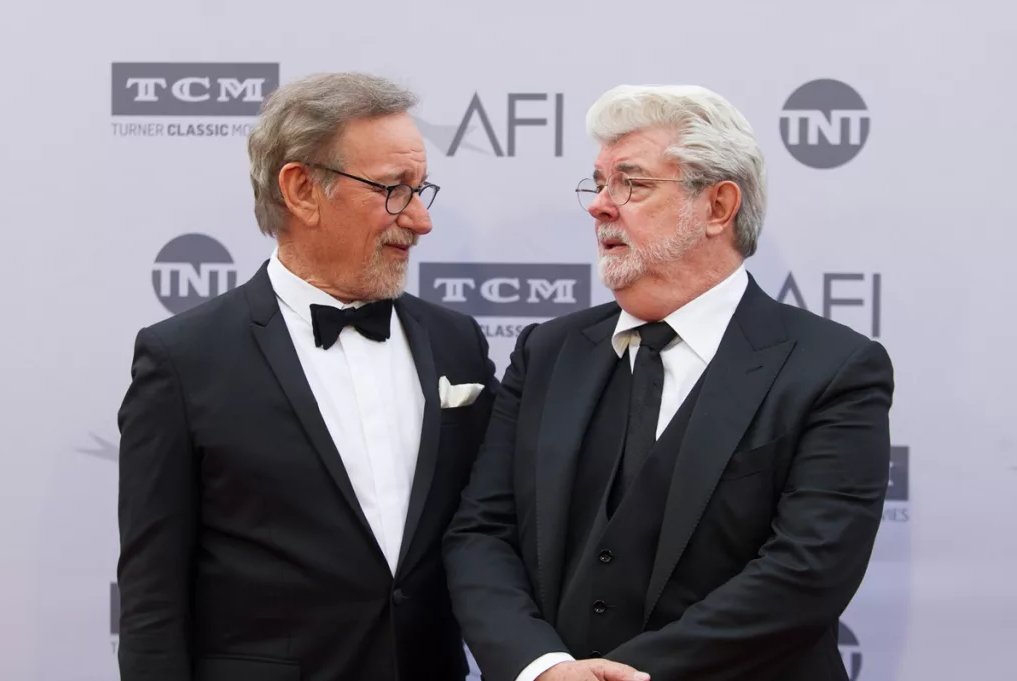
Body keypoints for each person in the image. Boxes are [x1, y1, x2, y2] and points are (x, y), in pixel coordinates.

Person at [443, 84, 894, 681]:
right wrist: (544, 667)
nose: (601, 205)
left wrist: (632, 674)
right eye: (599, 183)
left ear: (718, 206)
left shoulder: (834, 368)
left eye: (631, 183)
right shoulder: (548, 351)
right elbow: (481, 532)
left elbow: (808, 570)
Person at [116, 72, 498, 681]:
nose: (421, 221)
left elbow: (491, 532)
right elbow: (151, 598)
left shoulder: (457, 343)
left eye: (421, 190)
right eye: (394, 190)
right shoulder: (183, 359)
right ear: (300, 190)